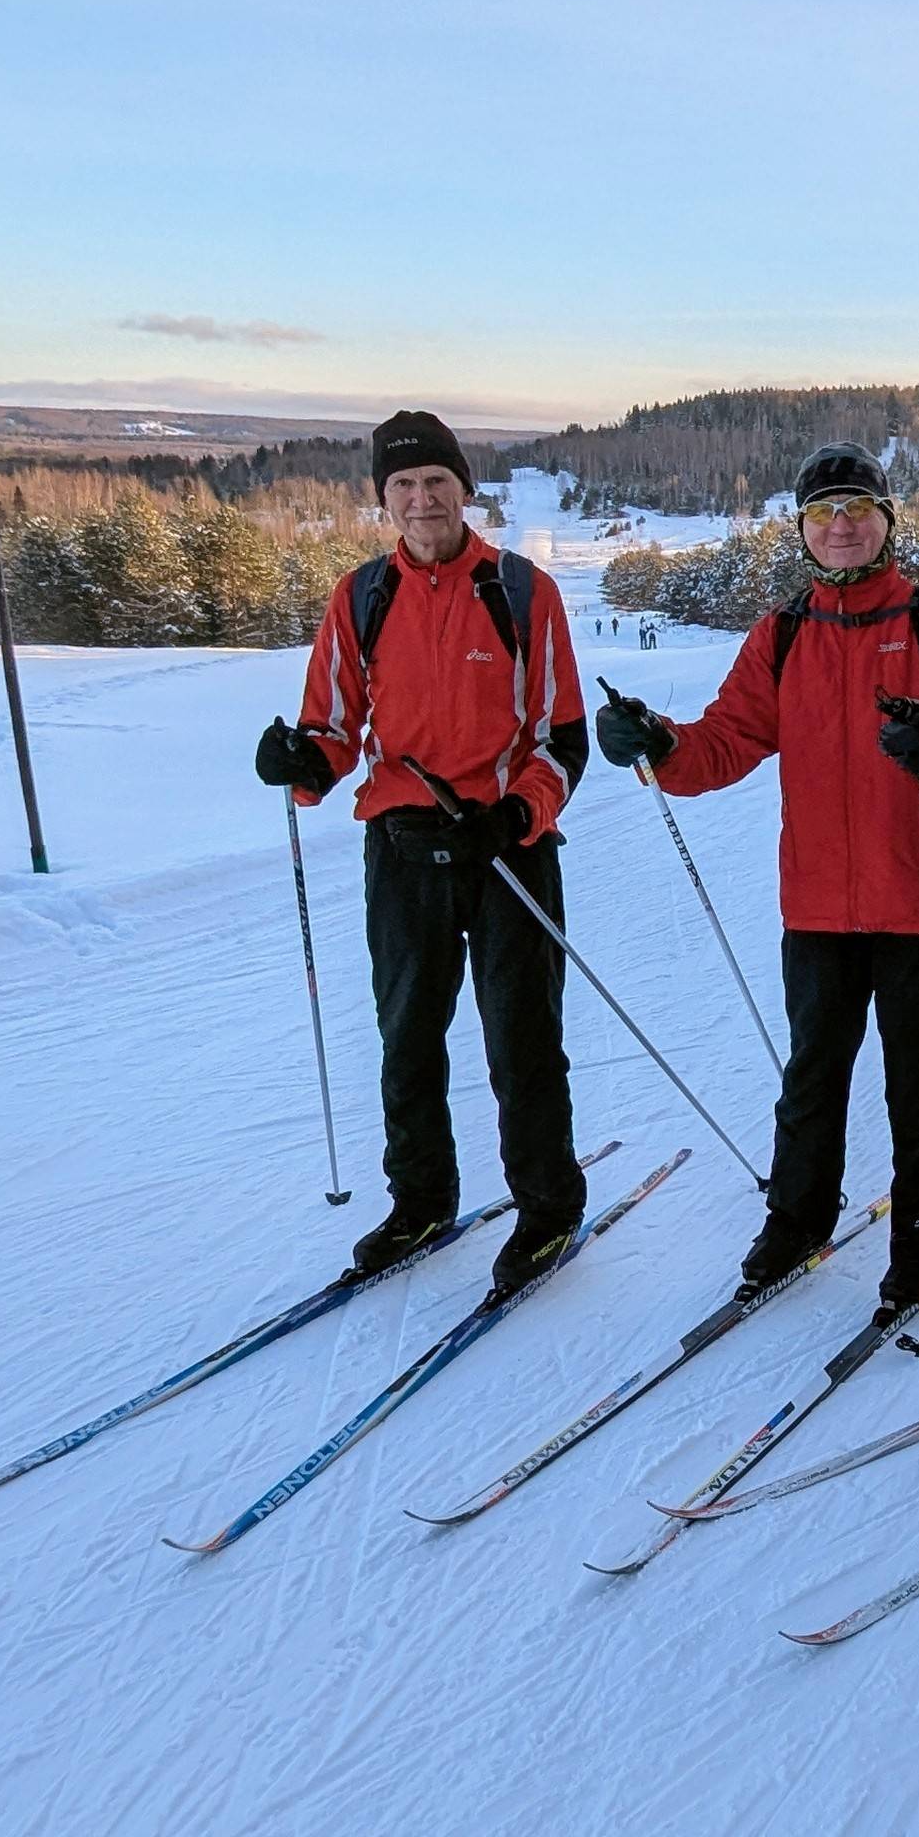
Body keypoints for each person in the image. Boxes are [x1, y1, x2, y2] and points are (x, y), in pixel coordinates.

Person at [591, 442, 919, 1328]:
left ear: (888, 521)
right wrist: (656, 743)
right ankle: (796, 1220)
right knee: (813, 1076)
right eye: (824, 513)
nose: (842, 524)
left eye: (858, 507)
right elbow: (724, 742)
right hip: (817, 905)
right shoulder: (782, 635)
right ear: (804, 533)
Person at [252, 411, 591, 1293]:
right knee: (407, 1039)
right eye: (401, 485)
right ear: (384, 500)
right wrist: (300, 763)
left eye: (435, 481)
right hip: (401, 848)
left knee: (523, 1042)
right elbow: (331, 726)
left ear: (462, 489)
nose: (420, 498)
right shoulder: (362, 595)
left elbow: (562, 738)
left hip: (507, 849)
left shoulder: (520, 592)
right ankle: (421, 1202)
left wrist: (516, 815)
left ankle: (548, 1210)